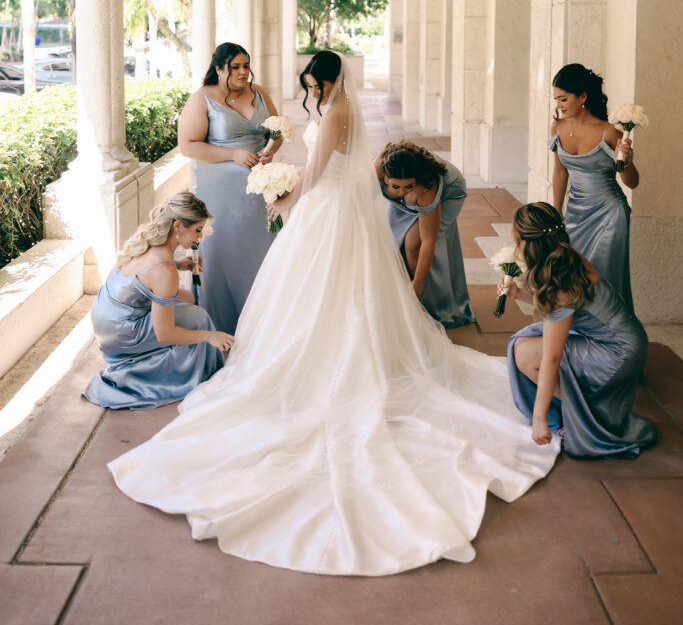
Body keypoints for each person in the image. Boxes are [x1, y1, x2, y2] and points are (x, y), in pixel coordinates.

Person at [109, 51, 558, 577]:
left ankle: (330, 364)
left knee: (327, 288)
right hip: (332, 205)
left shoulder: (339, 109)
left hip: (326, 206)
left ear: (330, 80)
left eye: (314, 84)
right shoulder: (338, 106)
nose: (312, 93)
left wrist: (285, 199)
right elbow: (322, 162)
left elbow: (319, 168)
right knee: (324, 289)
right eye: (308, 86)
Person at [503, 202, 656, 459]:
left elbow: (552, 357)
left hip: (617, 352)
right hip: (626, 339)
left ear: (527, 243)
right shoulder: (564, 258)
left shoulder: (558, 279)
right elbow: (562, 308)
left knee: (527, 353)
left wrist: (539, 418)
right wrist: (517, 293)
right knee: (525, 339)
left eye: (517, 240)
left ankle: (581, 417)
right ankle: (581, 407)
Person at [83, 193, 233, 409]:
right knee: (198, 318)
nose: (199, 238)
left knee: (189, 299)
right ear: (179, 227)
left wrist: (178, 265)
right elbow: (165, 334)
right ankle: (188, 376)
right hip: (122, 333)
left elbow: (147, 276)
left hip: (105, 316)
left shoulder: (148, 241)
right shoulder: (164, 270)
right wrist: (210, 336)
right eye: (197, 230)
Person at [178, 42, 282, 334]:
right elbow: (188, 146)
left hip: (259, 190)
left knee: (262, 250)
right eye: (234, 67)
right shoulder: (202, 98)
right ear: (218, 69)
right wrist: (233, 154)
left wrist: (272, 150)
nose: (242, 73)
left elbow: (277, 130)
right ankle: (223, 323)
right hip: (219, 192)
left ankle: (264, 327)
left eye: (245, 66)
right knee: (224, 251)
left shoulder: (259, 92)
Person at [550, 63, 639, 309]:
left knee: (604, 279)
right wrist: (557, 212)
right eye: (556, 98)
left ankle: (610, 338)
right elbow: (560, 171)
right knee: (572, 277)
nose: (559, 104)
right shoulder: (558, 127)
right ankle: (579, 334)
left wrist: (627, 160)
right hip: (576, 215)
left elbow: (632, 182)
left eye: (563, 98)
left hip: (610, 215)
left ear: (583, 97)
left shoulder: (610, 132)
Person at [375, 141, 473, 327]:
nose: (401, 192)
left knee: (414, 243)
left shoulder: (426, 187)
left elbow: (428, 242)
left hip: (449, 194)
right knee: (392, 243)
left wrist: (417, 286)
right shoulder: (379, 167)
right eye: (395, 187)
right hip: (413, 193)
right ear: (385, 177)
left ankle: (426, 302)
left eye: (407, 186)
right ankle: (398, 296)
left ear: (415, 179)